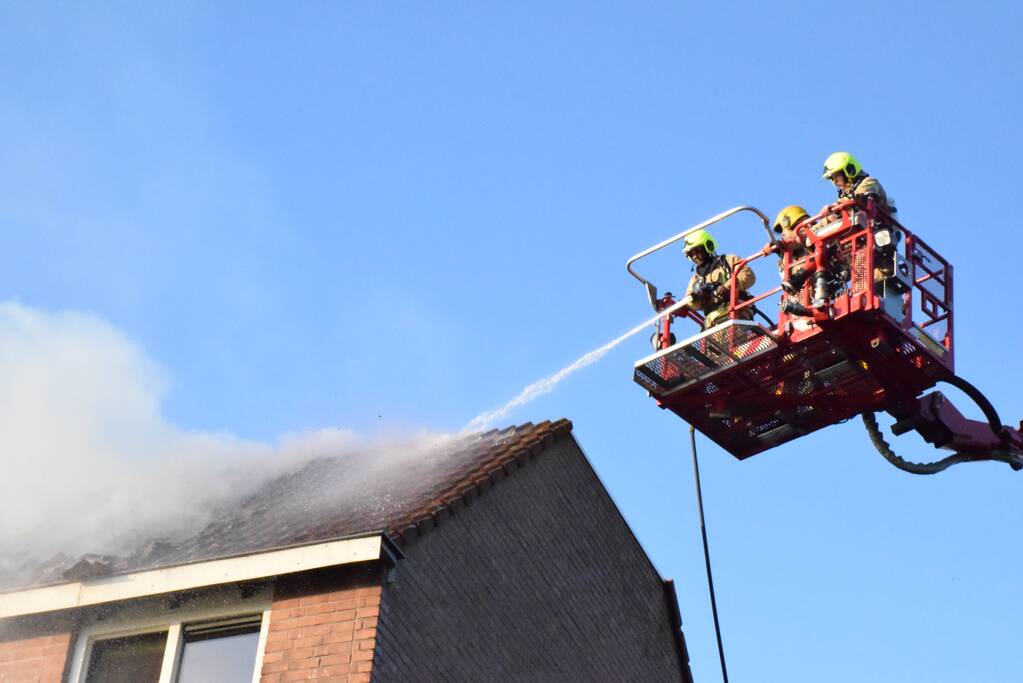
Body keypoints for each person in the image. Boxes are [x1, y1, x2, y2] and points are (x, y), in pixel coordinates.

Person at [683, 229, 756, 329]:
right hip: (713, 321)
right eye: (691, 254)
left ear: (708, 246)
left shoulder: (728, 260)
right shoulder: (695, 279)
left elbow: (748, 275)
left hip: (736, 313)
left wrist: (727, 287)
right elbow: (689, 301)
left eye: (698, 251)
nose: (695, 256)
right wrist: (696, 298)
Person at [821, 151, 891, 211]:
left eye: (837, 176)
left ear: (849, 170)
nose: (835, 181)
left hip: (878, 224)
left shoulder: (869, 182)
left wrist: (835, 206)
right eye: (832, 178)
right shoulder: (846, 197)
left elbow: (859, 196)